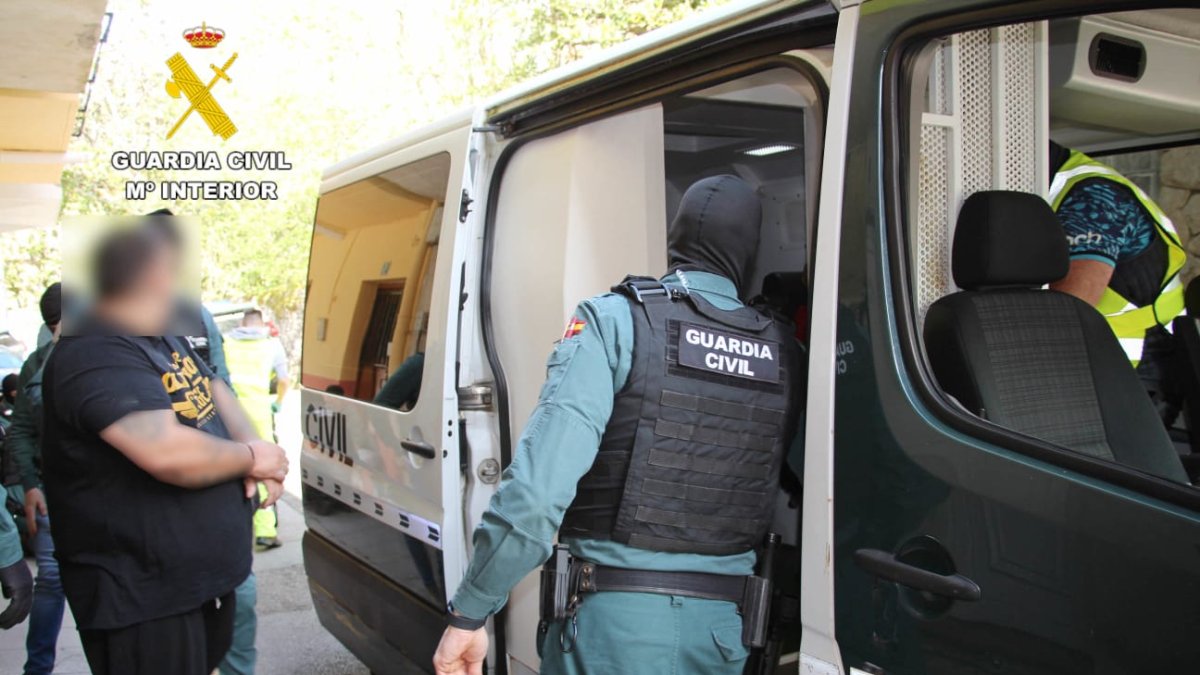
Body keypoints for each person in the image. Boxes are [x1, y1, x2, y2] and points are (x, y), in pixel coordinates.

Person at [433, 176, 804, 675]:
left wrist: (471, 609)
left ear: (677, 240)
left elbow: (537, 497)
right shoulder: (788, 354)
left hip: (609, 634)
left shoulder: (616, 321)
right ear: (749, 252)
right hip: (724, 637)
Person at [40, 219, 289, 675]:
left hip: (193, 585)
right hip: (143, 599)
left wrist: (253, 445)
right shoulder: (93, 347)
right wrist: (254, 458)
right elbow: (166, 452)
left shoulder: (158, 332)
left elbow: (211, 386)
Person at [1048, 141, 1185, 419]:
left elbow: (1068, 311)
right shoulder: (1057, 188)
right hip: (1099, 361)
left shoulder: (1092, 197)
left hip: (1133, 369)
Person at [6, 283, 66, 675]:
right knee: (53, 579)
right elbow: (21, 431)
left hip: (103, 498)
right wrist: (30, 484)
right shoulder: (35, 365)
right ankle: (37, 670)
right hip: (51, 493)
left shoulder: (113, 356)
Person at [224, 308, 289, 549]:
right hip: (260, 411)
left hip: (231, 412)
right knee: (265, 468)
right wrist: (278, 403)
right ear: (262, 324)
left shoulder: (227, 343)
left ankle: (236, 528)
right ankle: (265, 531)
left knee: (234, 468)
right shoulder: (272, 345)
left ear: (242, 323)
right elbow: (284, 379)